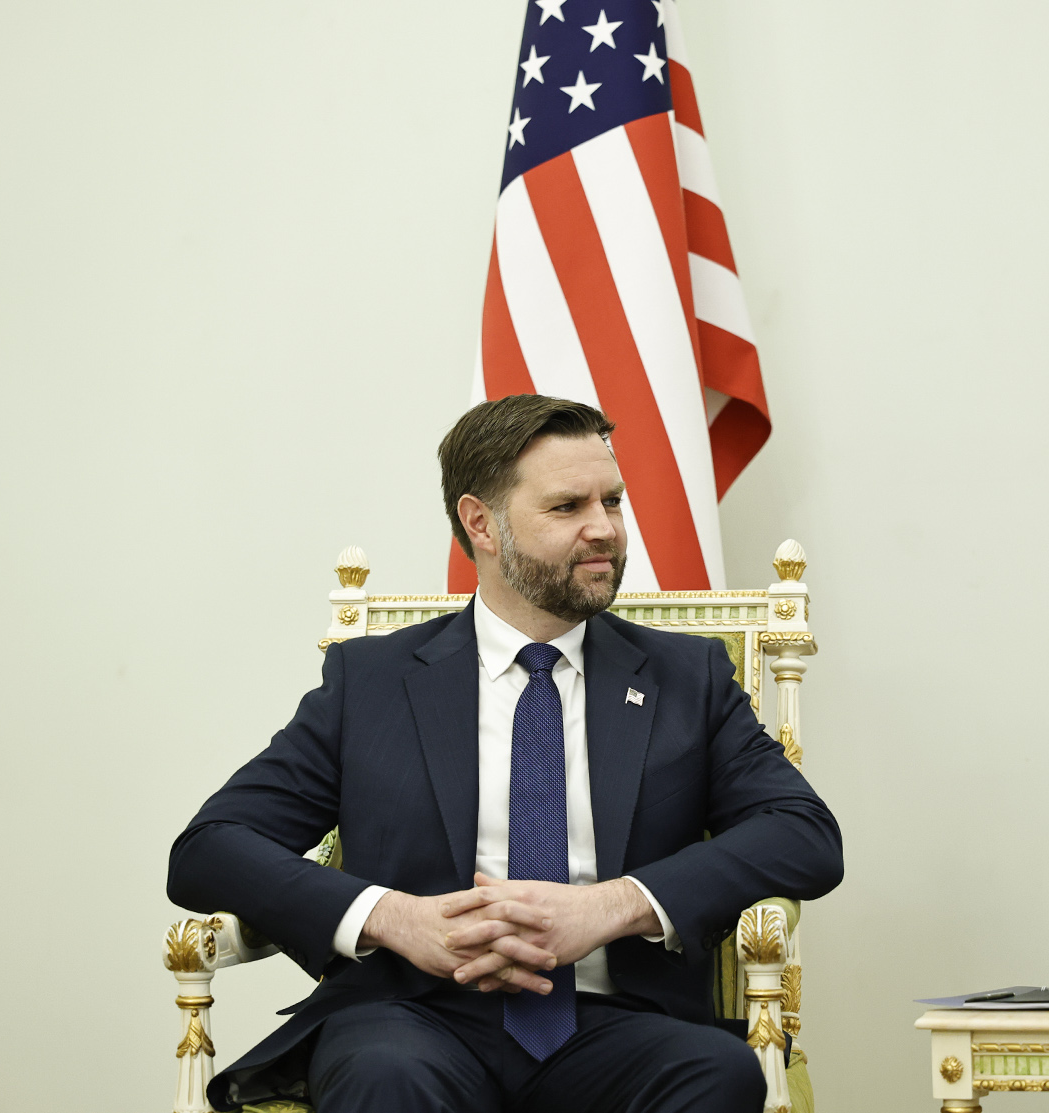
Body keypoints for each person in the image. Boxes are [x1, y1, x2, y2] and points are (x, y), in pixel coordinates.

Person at [167, 394, 843, 1113]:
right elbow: (209, 848)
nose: (604, 528)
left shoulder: (686, 678)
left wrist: (611, 907)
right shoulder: (373, 683)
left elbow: (804, 834)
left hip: (615, 1022)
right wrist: (396, 918)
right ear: (480, 523)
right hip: (414, 1016)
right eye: (567, 506)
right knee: (384, 1077)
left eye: (612, 501)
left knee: (718, 1072)